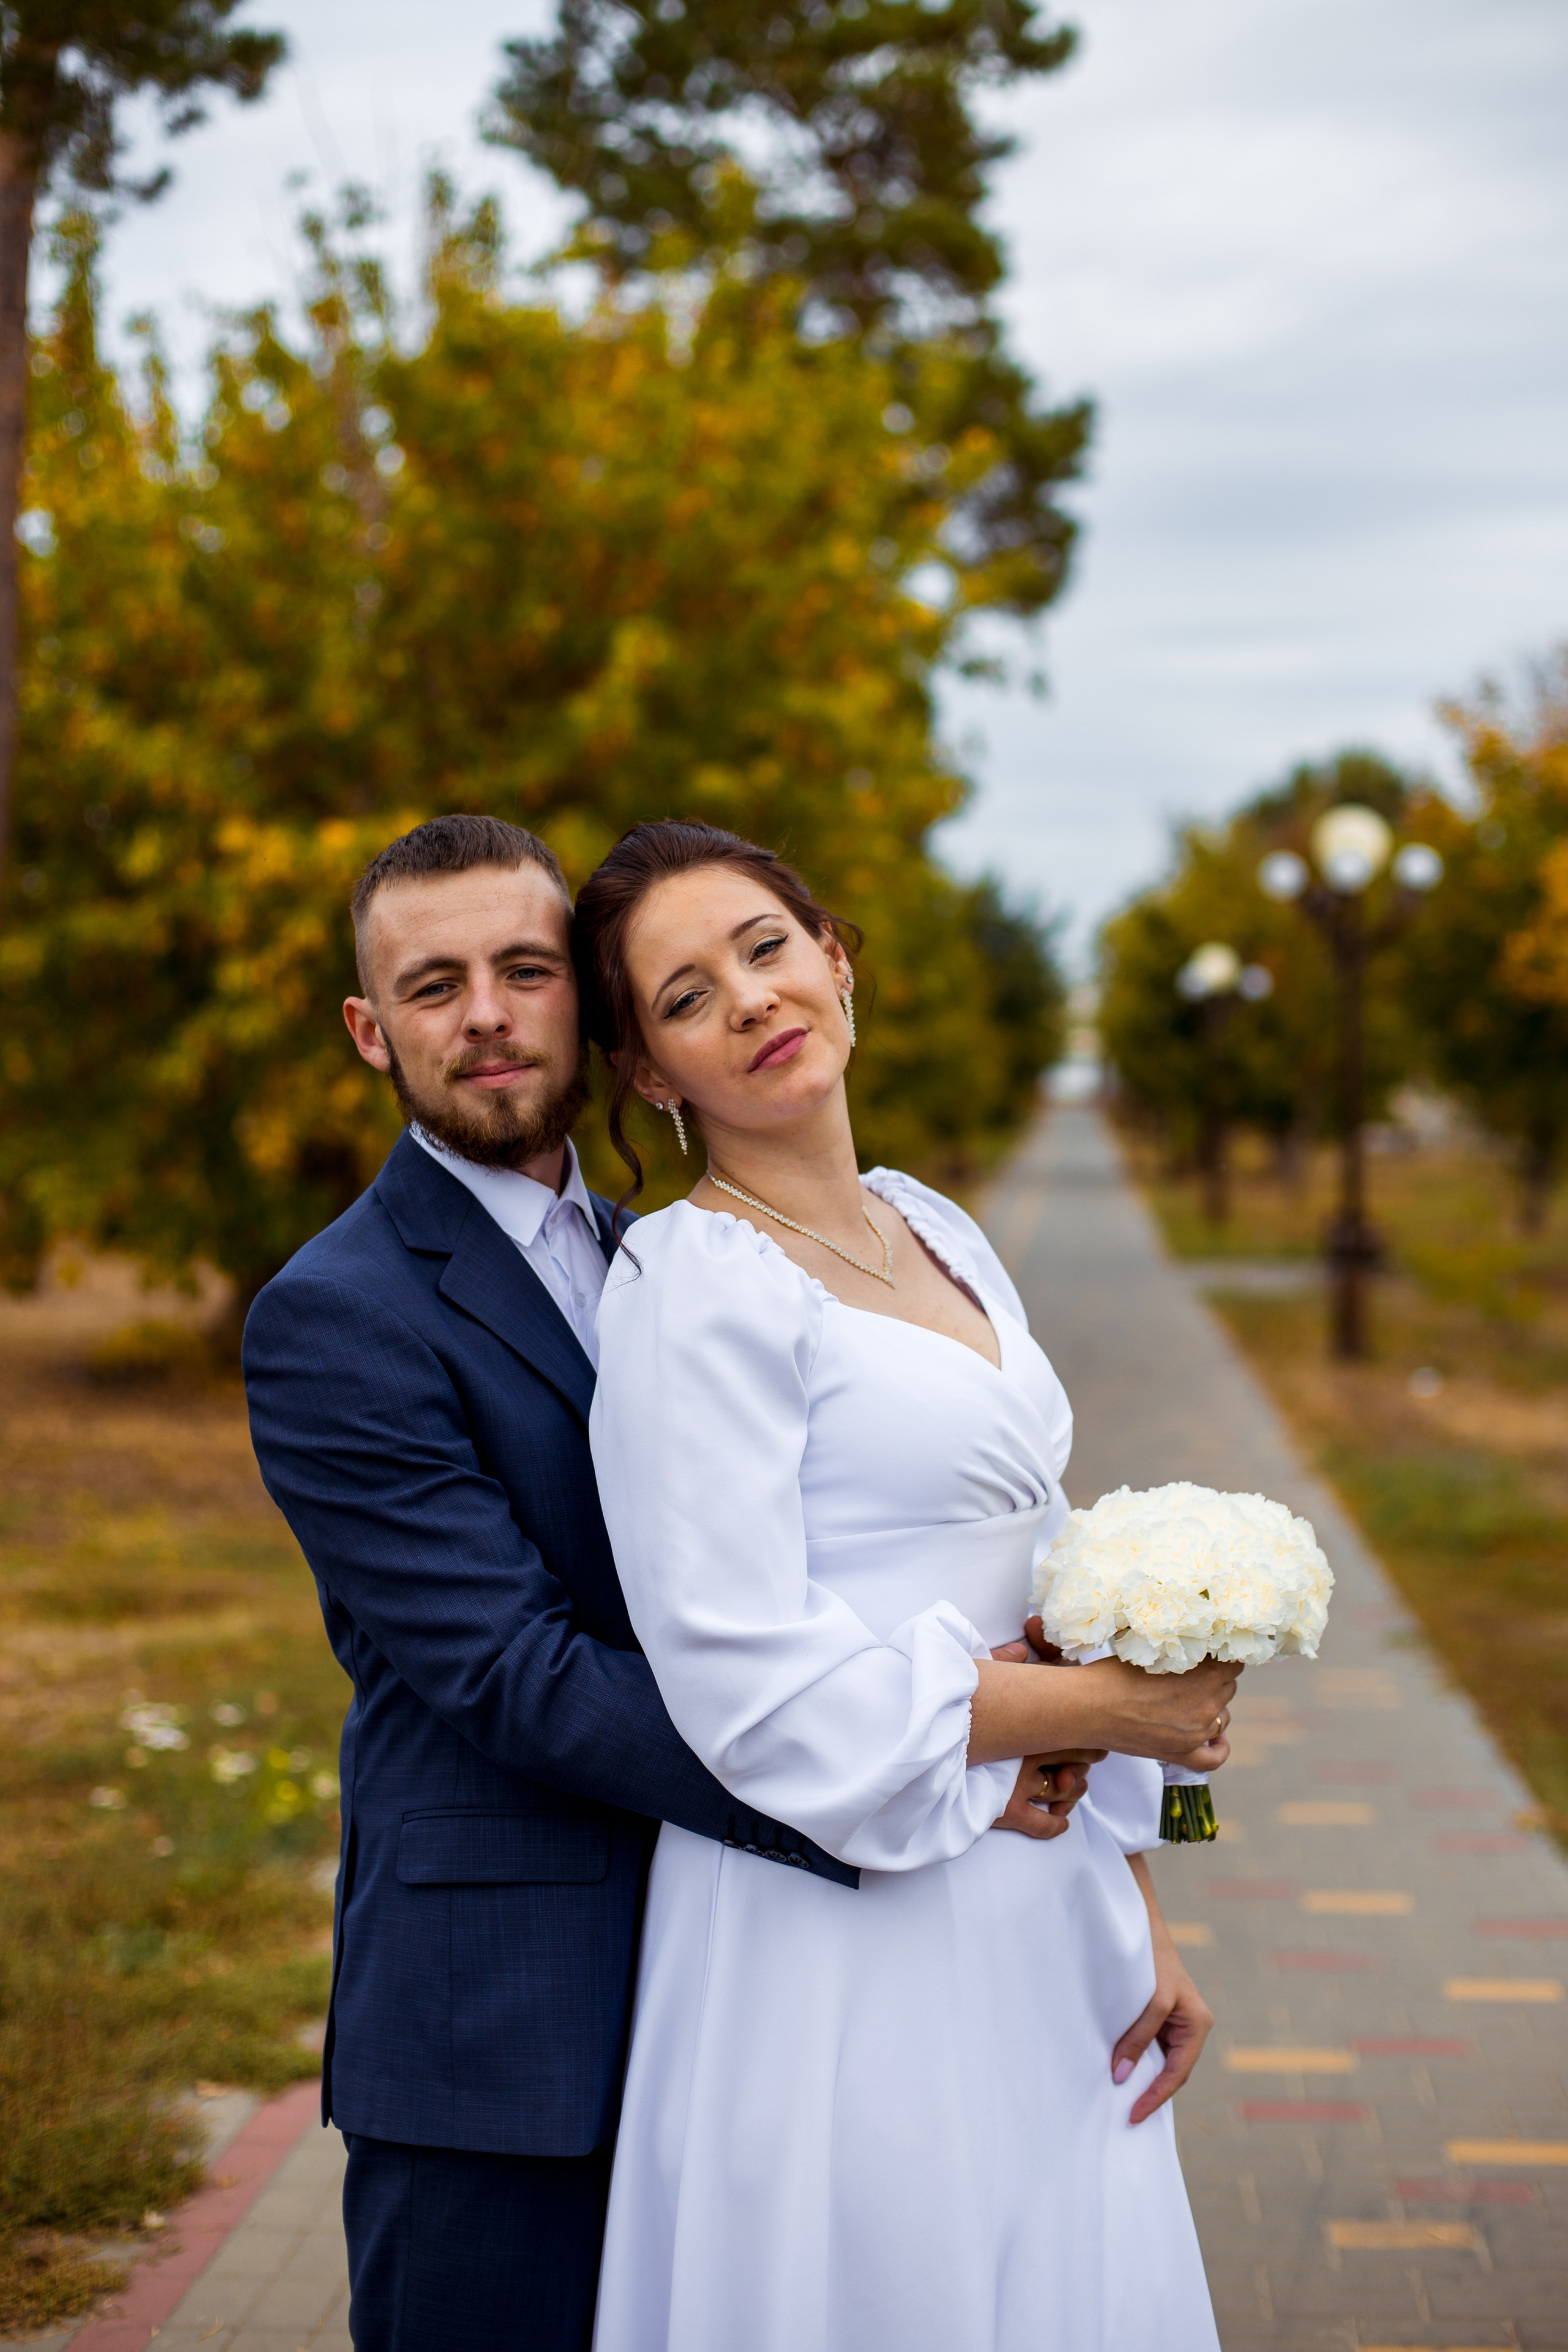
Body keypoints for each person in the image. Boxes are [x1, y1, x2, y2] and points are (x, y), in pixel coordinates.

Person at [575, 819, 1233, 2352]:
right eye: (684, 998)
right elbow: (743, 1677)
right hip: (844, 1913)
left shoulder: (930, 1224)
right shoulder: (689, 1288)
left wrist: (1140, 1903)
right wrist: (1115, 1711)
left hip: (1044, 1889)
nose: (748, 998)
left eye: (764, 947)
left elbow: (1051, 1573)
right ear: (652, 1074)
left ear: (833, 961)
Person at [243, 816, 879, 2352]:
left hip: (732, 1981)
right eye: (433, 985)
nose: (485, 1016)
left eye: (524, 970)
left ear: (585, 1005)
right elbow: (508, 1673)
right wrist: (880, 1772)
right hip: (502, 2033)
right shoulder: (335, 1314)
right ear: (370, 1030)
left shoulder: (666, 1258)